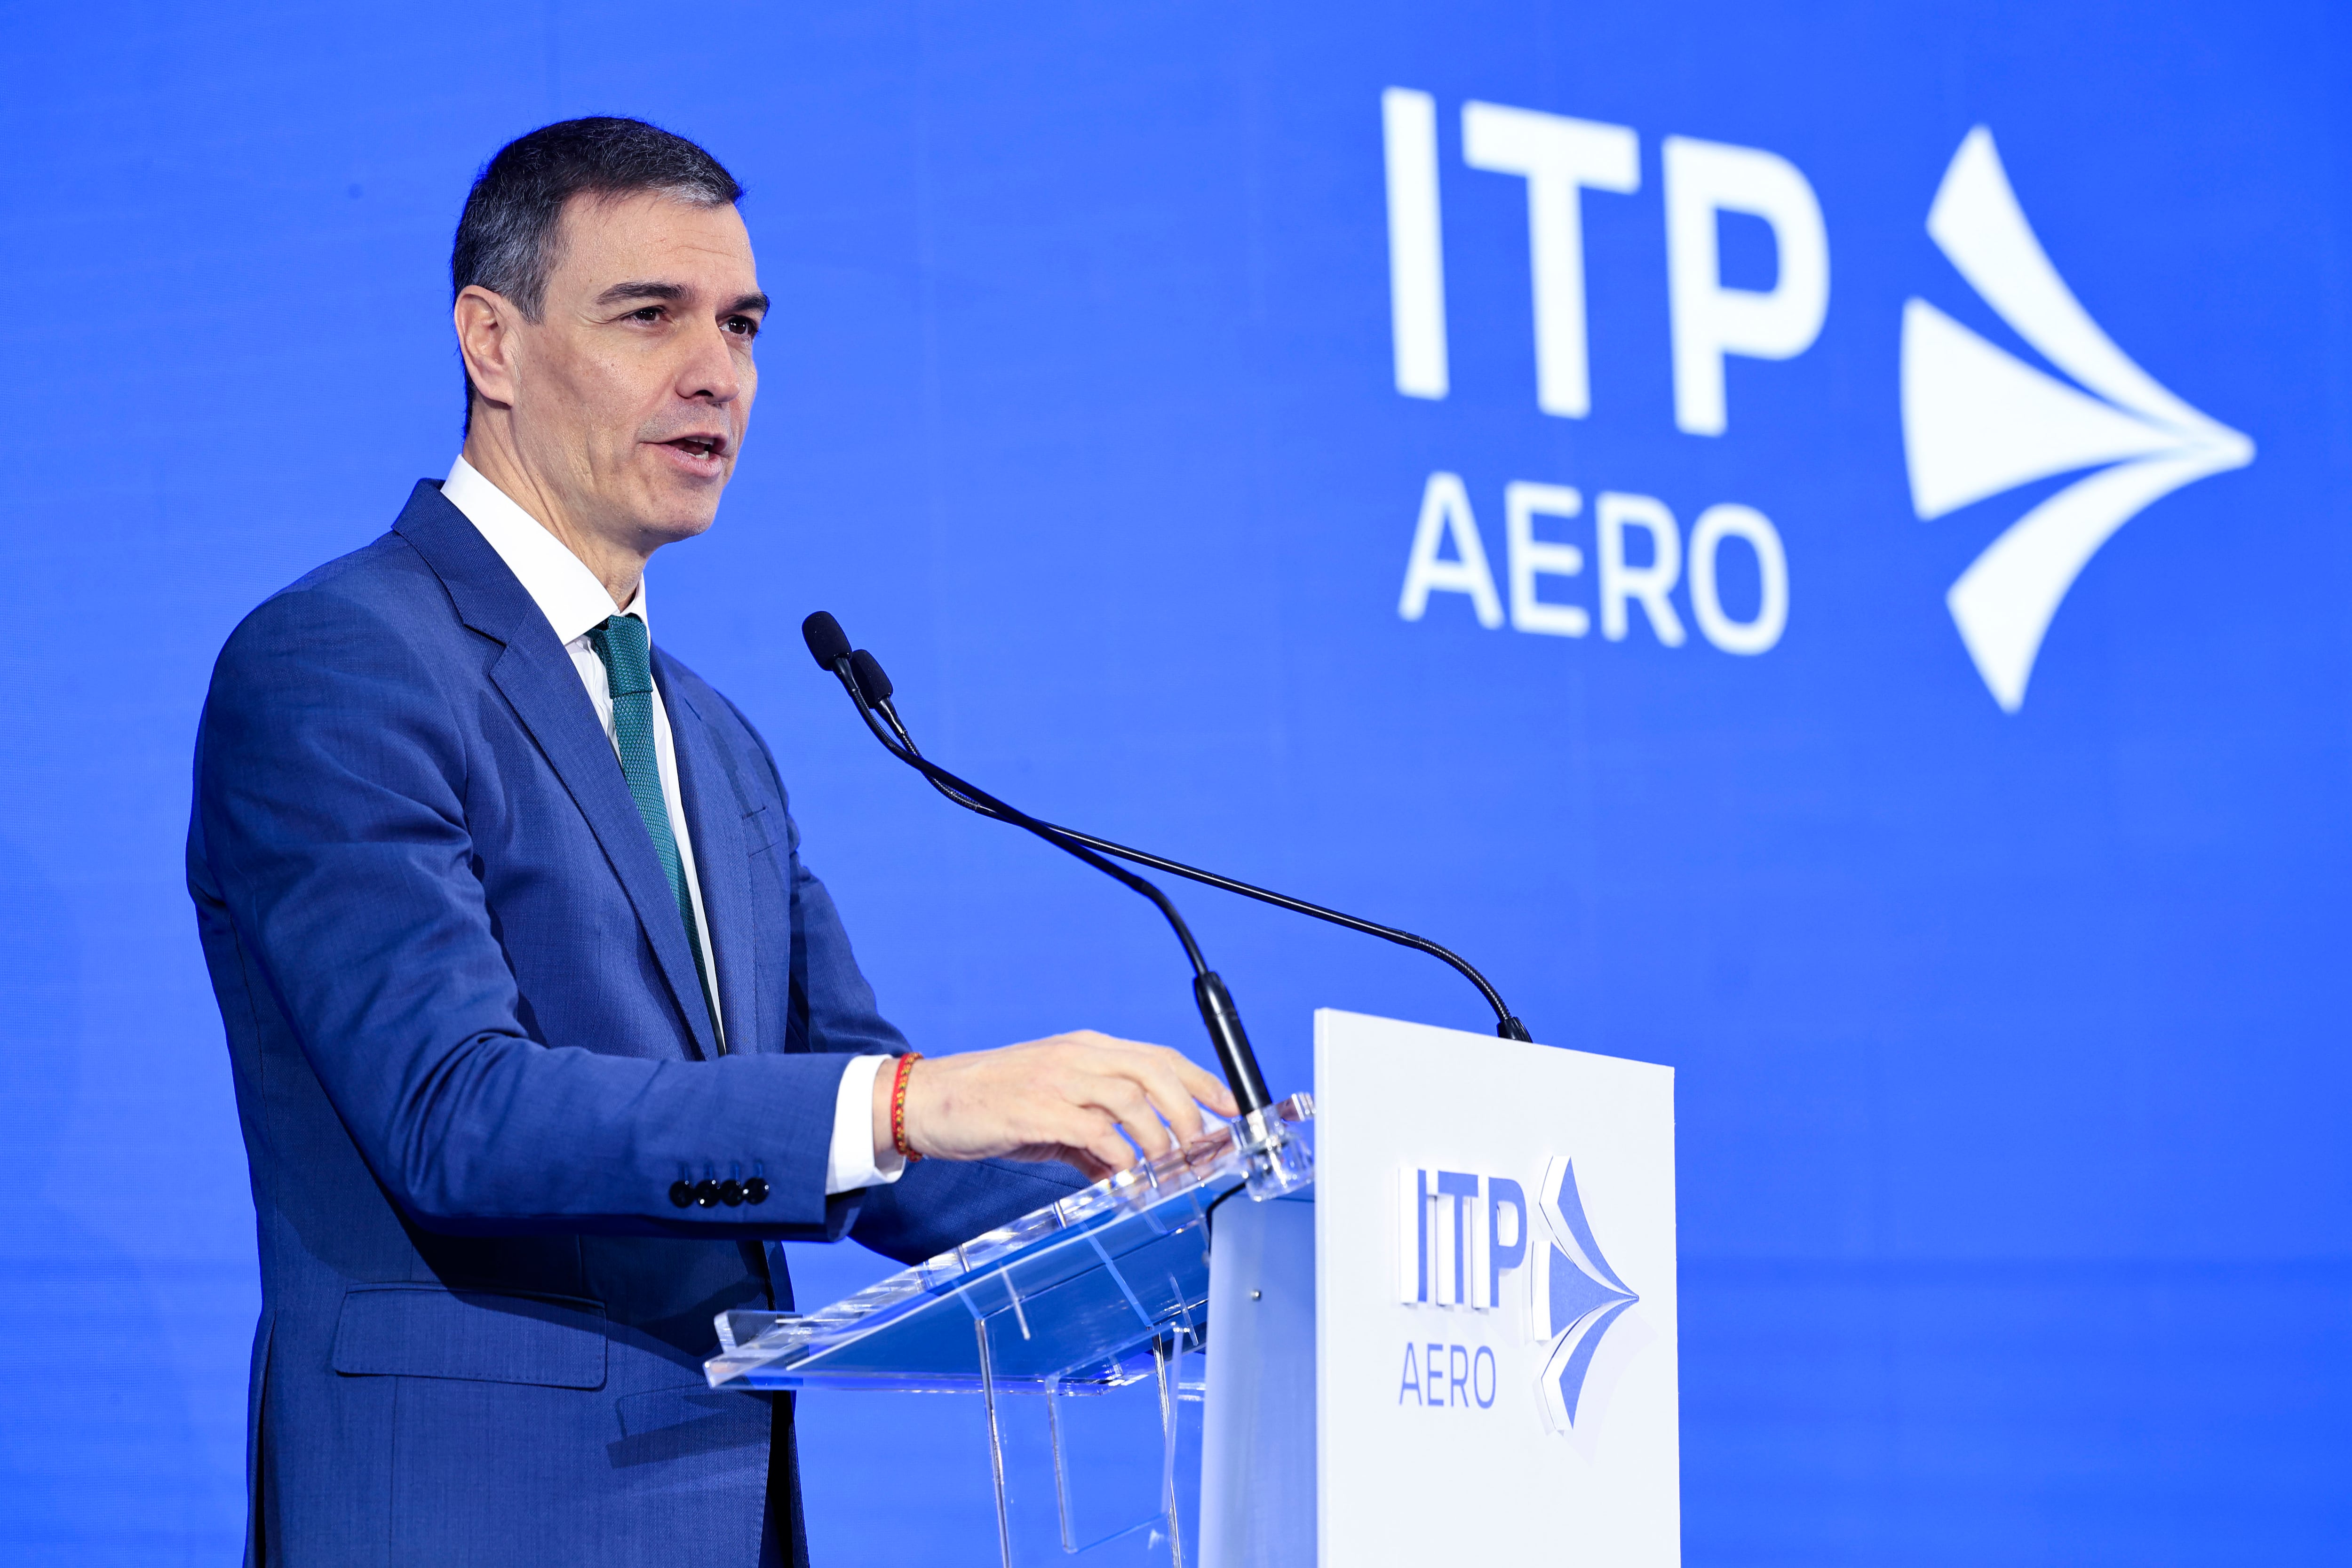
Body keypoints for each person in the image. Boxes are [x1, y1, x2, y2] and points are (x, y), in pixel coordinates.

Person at [186, 116, 1236, 1568]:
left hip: (719, 1508)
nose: (716, 373)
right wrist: (914, 1102)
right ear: (490, 343)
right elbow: (453, 1113)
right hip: (464, 1511)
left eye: (741, 324)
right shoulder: (340, 659)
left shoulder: (713, 735)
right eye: (649, 316)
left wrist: (1214, 1241)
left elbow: (869, 1127)